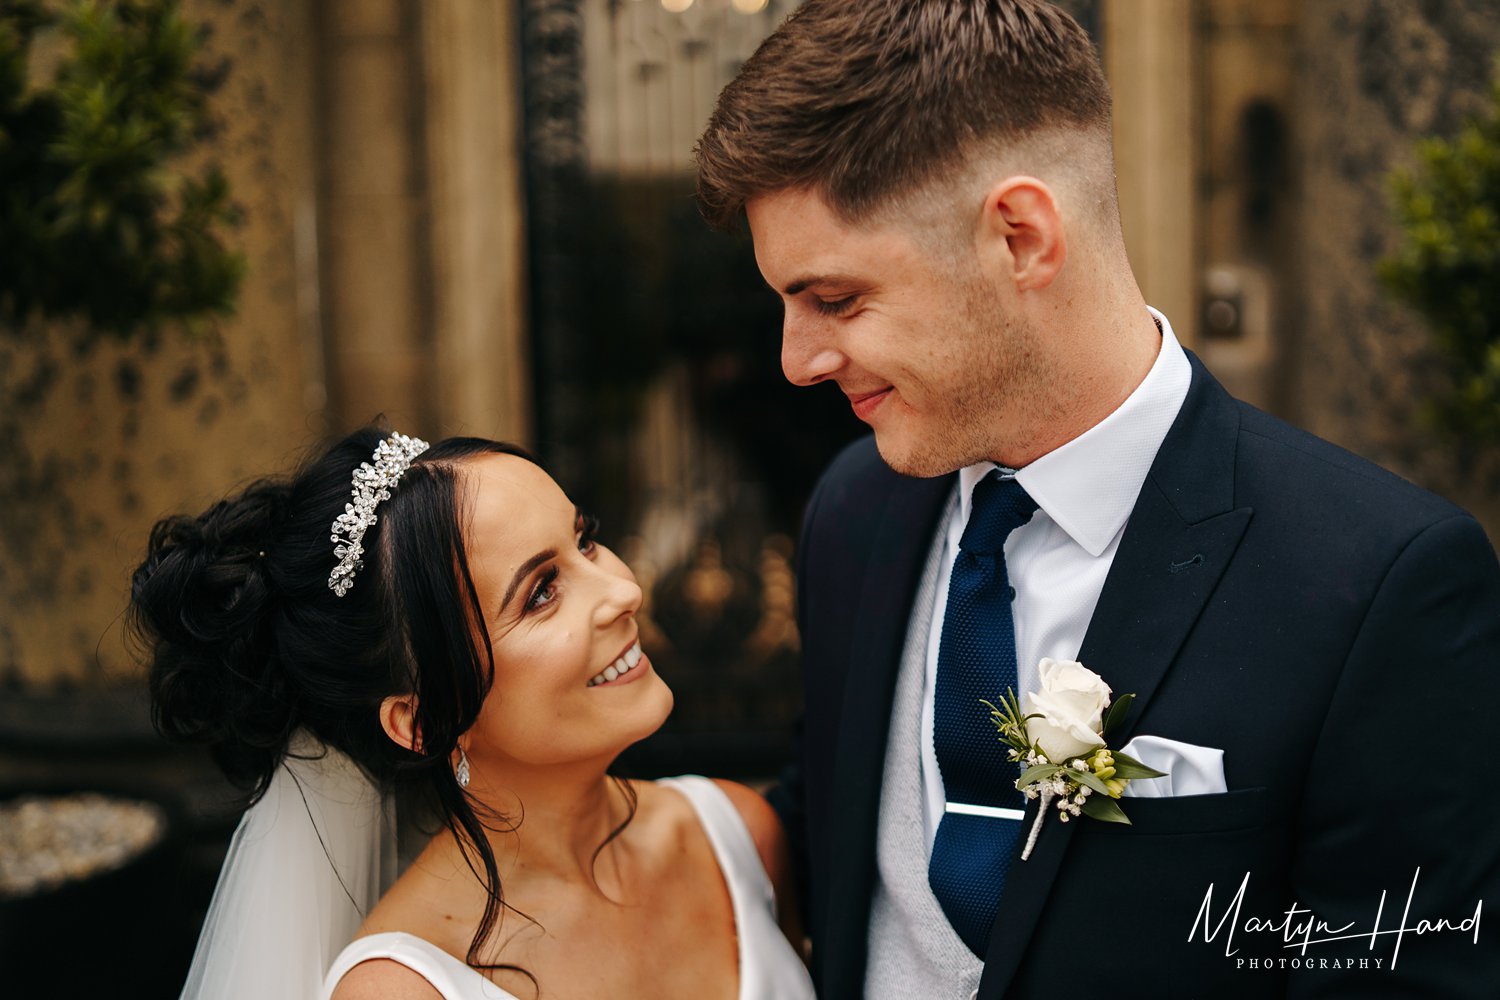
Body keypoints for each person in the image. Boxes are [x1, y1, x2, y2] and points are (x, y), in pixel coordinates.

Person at [694, 1, 1500, 997]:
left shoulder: (1379, 584)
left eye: (836, 299)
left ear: (1021, 236)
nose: (796, 361)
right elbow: (836, 830)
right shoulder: (853, 513)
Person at [130, 427, 815, 1000]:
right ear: (422, 720)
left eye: (586, 540)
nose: (624, 589)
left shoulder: (742, 838)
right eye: (542, 592)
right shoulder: (406, 990)